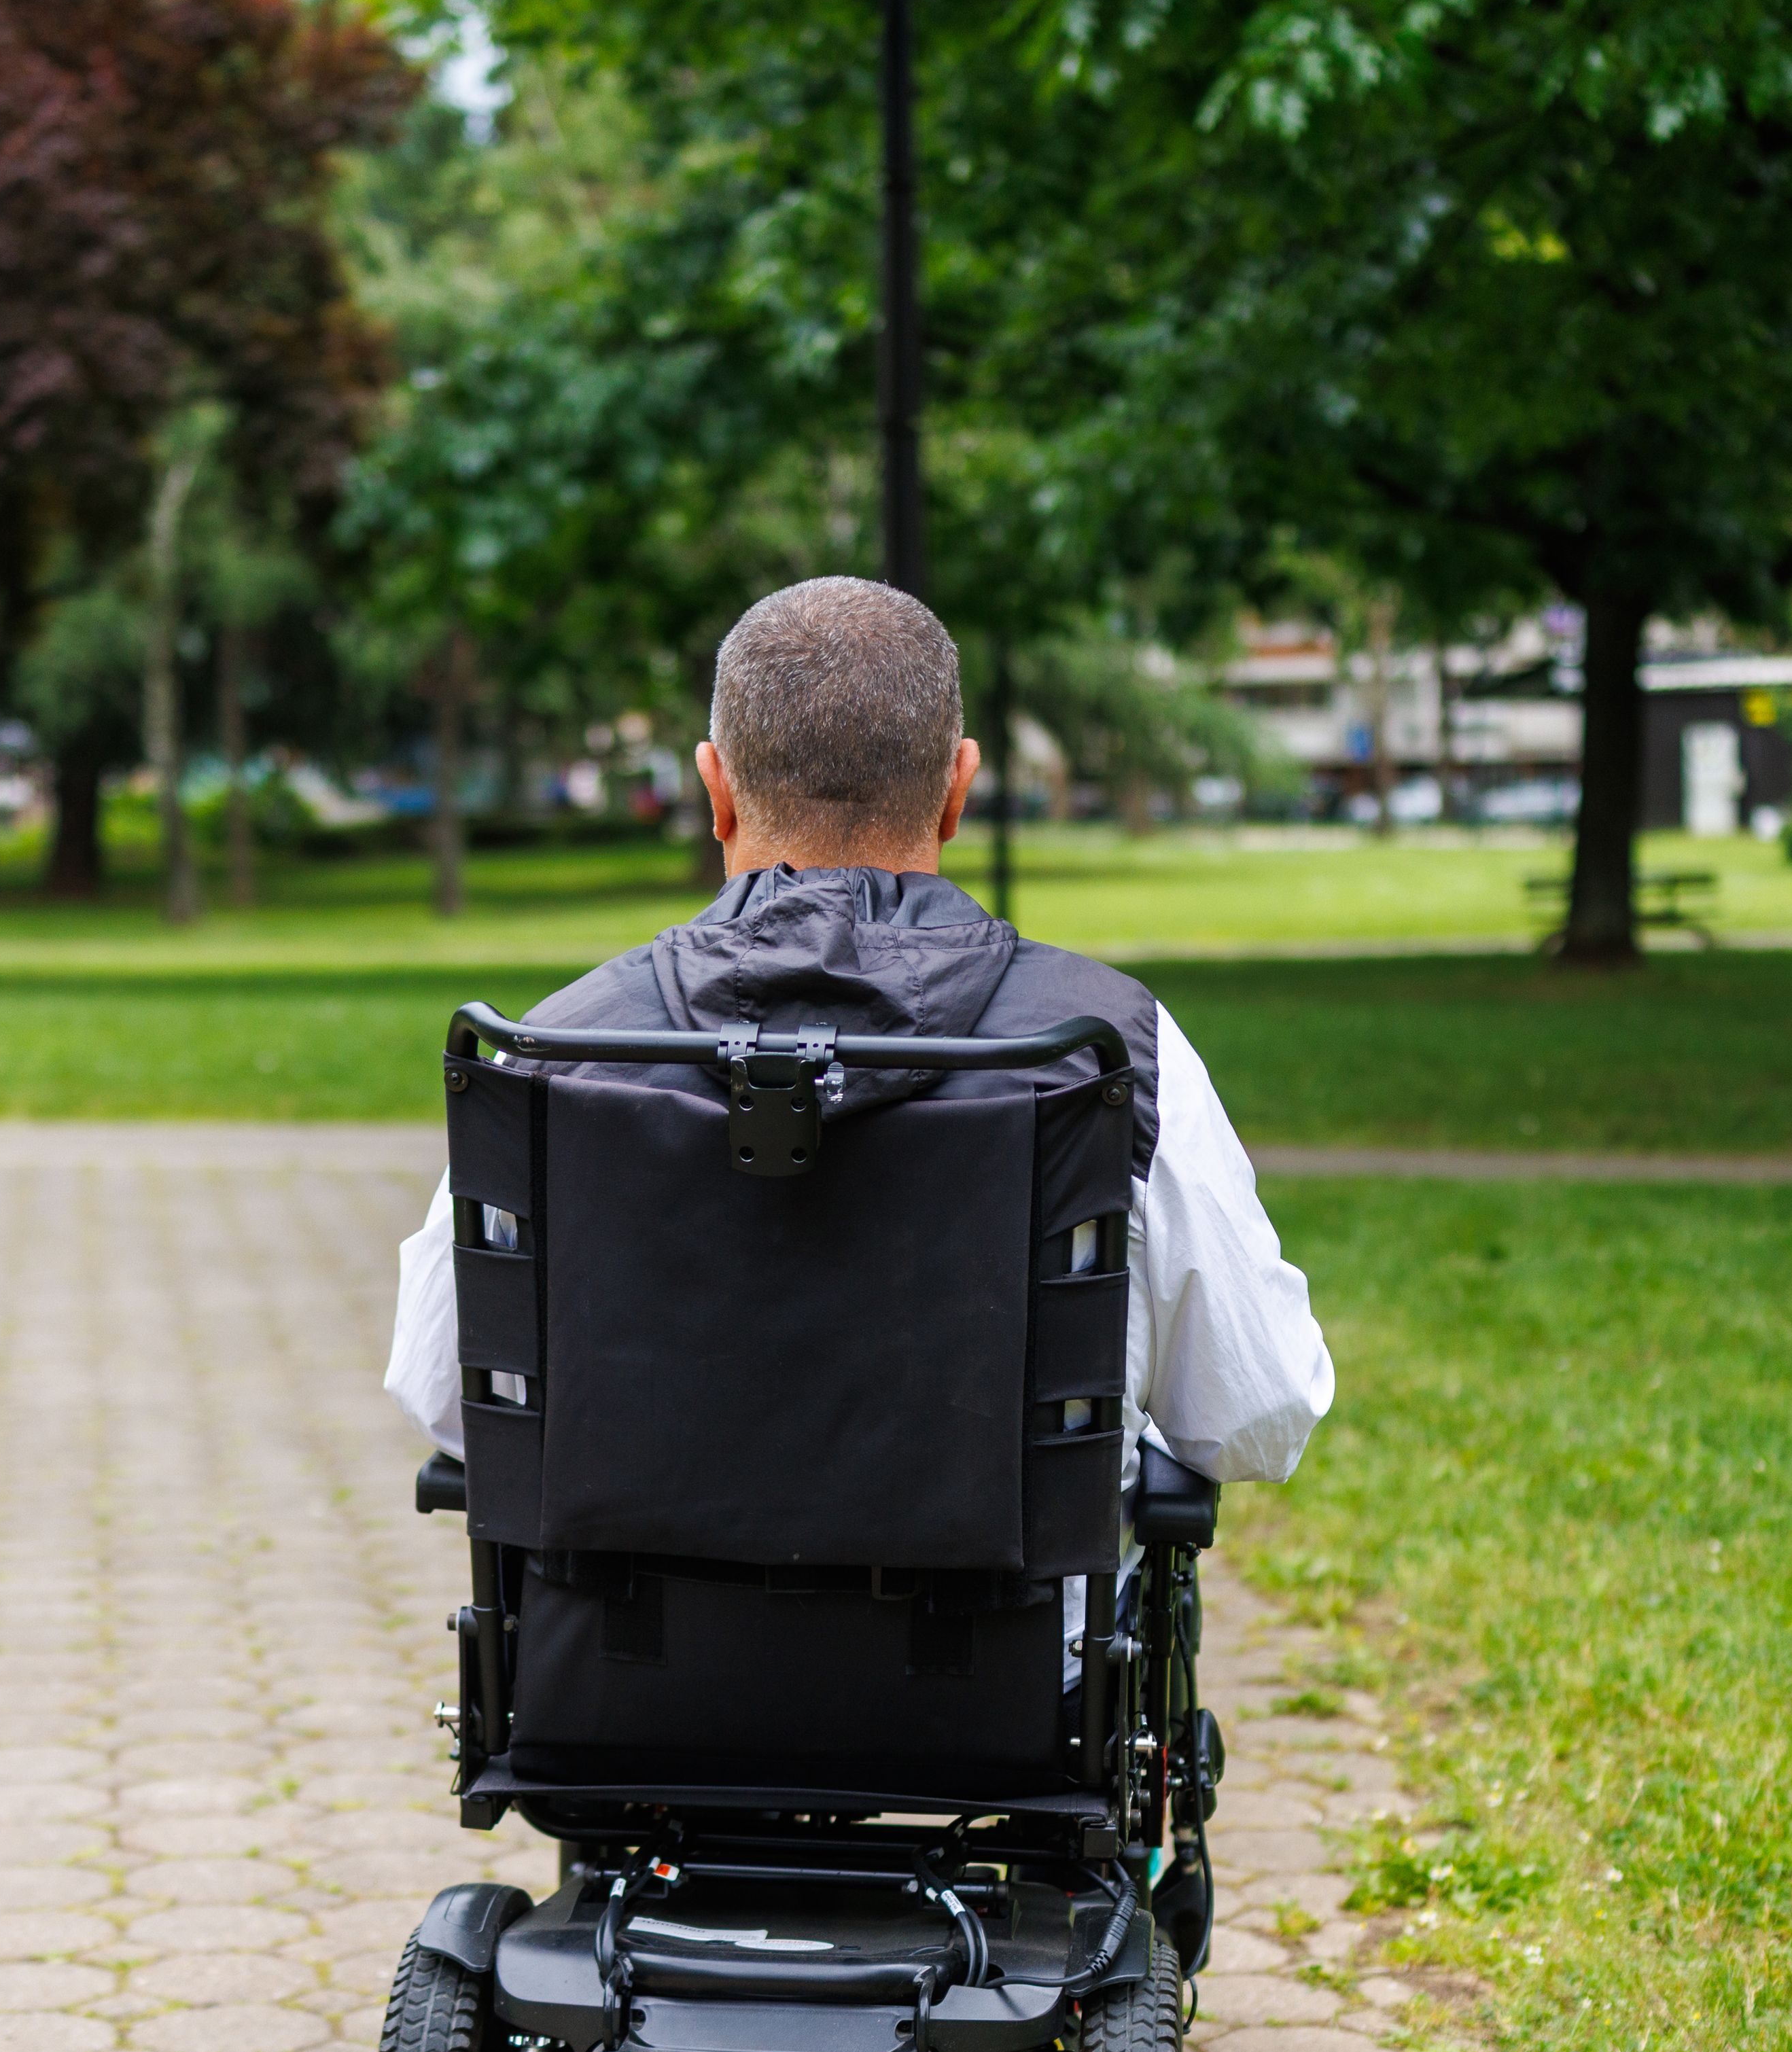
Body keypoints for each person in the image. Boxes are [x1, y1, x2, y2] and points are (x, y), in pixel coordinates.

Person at [387, 574, 1333, 1488]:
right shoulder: (1103, 1048)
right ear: (958, 787)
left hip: (618, 1646)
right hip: (1013, 1645)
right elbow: (1255, 1413)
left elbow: (450, 1400)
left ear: (714, 789)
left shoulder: (555, 1048)